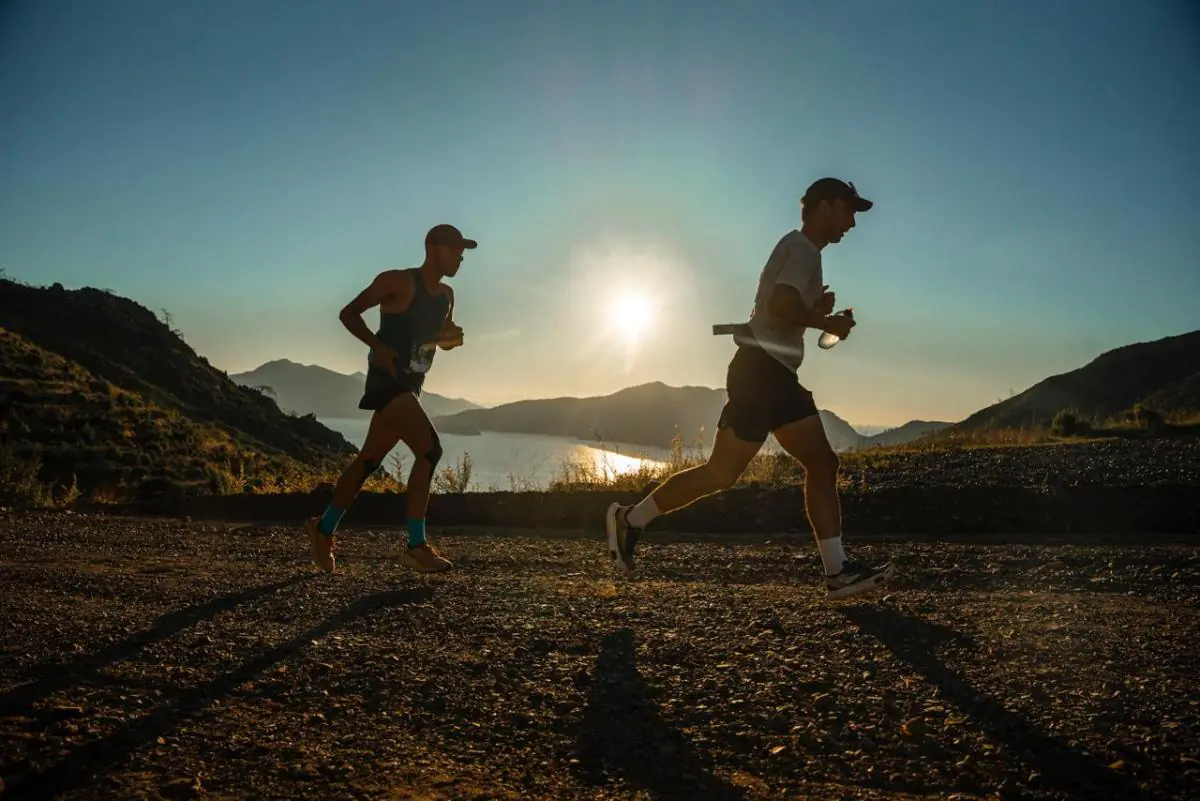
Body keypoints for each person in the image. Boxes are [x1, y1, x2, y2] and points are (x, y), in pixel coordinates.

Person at [605, 178, 895, 599]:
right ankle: (630, 521)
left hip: (767, 371)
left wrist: (814, 311)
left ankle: (631, 521)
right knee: (769, 469)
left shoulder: (800, 250)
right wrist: (825, 322)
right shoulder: (803, 249)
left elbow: (780, 309)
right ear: (824, 207)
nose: (852, 222)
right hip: (763, 372)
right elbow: (779, 303)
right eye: (850, 210)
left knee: (780, 467)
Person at [304, 223, 476, 574]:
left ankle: (323, 529)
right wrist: (378, 346)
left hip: (412, 385)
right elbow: (348, 314)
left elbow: (439, 338)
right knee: (430, 450)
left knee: (368, 461)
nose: (461, 257)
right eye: (456, 249)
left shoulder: (447, 295)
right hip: (387, 382)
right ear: (433, 247)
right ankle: (416, 545)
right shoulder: (396, 281)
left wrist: (450, 338)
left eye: (463, 251)